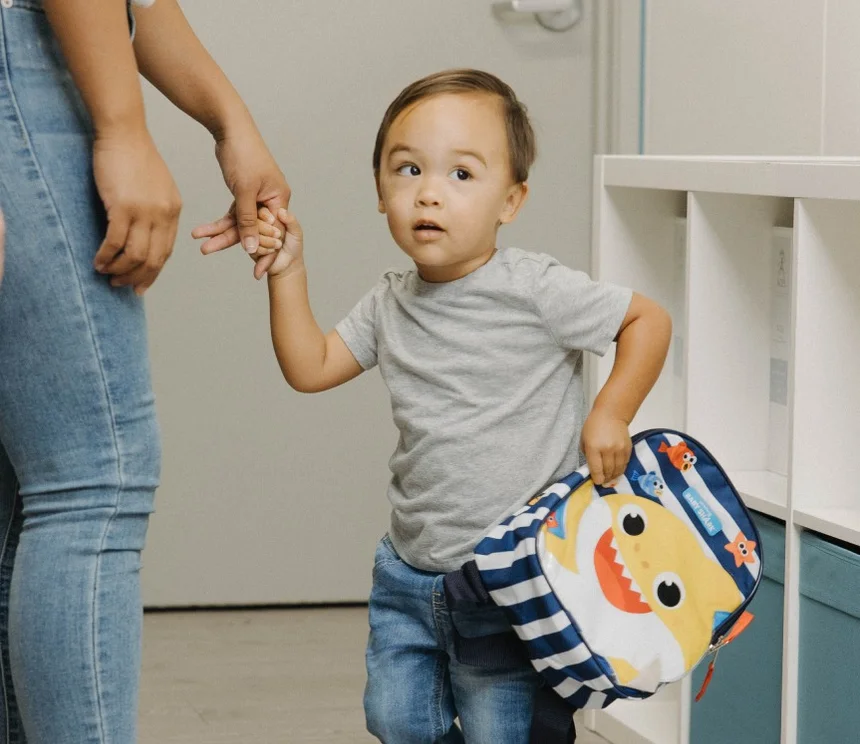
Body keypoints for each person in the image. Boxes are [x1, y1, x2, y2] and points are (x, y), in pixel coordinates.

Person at [198, 68, 672, 743]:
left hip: (512, 581)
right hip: (410, 573)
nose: (428, 192)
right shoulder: (390, 304)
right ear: (381, 192)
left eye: (461, 175)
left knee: (499, 725)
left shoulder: (534, 289)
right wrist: (288, 274)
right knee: (394, 718)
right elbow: (311, 366)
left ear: (511, 201)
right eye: (408, 169)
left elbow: (647, 321)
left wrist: (611, 412)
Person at [0, 0, 289, 741]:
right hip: (22, 67)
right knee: (94, 476)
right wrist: (124, 130)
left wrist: (230, 121)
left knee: (19, 493)